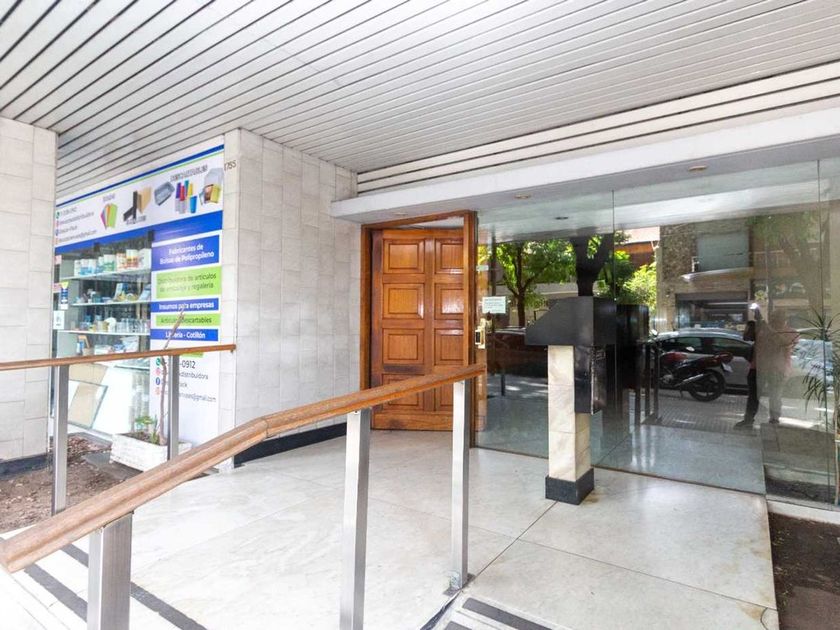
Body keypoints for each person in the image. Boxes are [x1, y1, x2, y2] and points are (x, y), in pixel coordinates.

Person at [736, 308, 799, 427]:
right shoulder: (763, 329)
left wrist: (765, 325)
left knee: (775, 396)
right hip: (757, 368)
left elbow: (783, 343)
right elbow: (746, 338)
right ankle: (748, 420)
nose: (773, 319)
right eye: (772, 317)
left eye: (777, 317)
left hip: (777, 369)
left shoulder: (791, 332)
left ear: (784, 319)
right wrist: (752, 325)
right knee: (753, 397)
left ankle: (774, 420)